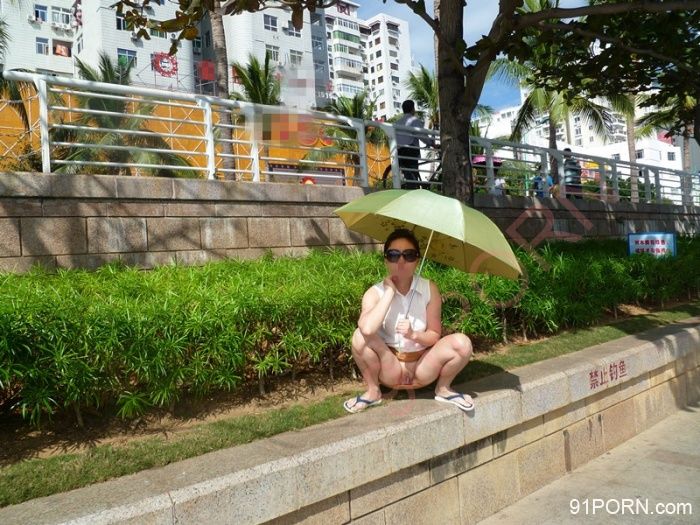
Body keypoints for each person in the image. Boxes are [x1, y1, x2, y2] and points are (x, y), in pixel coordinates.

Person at [343, 228, 475, 414]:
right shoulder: (374, 293)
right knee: (359, 337)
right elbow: (367, 329)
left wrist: (414, 335)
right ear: (386, 260)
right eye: (394, 255)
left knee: (463, 343)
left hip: (423, 368)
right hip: (390, 368)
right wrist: (389, 292)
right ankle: (373, 391)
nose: (401, 261)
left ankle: (443, 389)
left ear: (417, 260)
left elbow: (434, 335)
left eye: (409, 255)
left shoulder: (429, 289)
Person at [395, 100, 435, 189]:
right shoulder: (414, 120)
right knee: (412, 176)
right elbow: (422, 135)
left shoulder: (397, 123)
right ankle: (413, 190)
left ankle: (411, 187)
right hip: (410, 151)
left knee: (408, 174)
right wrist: (432, 143)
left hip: (399, 152)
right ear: (413, 109)